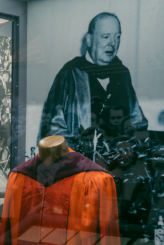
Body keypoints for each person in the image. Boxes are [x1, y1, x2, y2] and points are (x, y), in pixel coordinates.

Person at [38, 12, 148, 147]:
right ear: (89, 40)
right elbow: (52, 128)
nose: (112, 43)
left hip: (120, 162)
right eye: (105, 37)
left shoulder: (122, 73)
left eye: (117, 37)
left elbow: (137, 121)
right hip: (83, 162)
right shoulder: (71, 73)